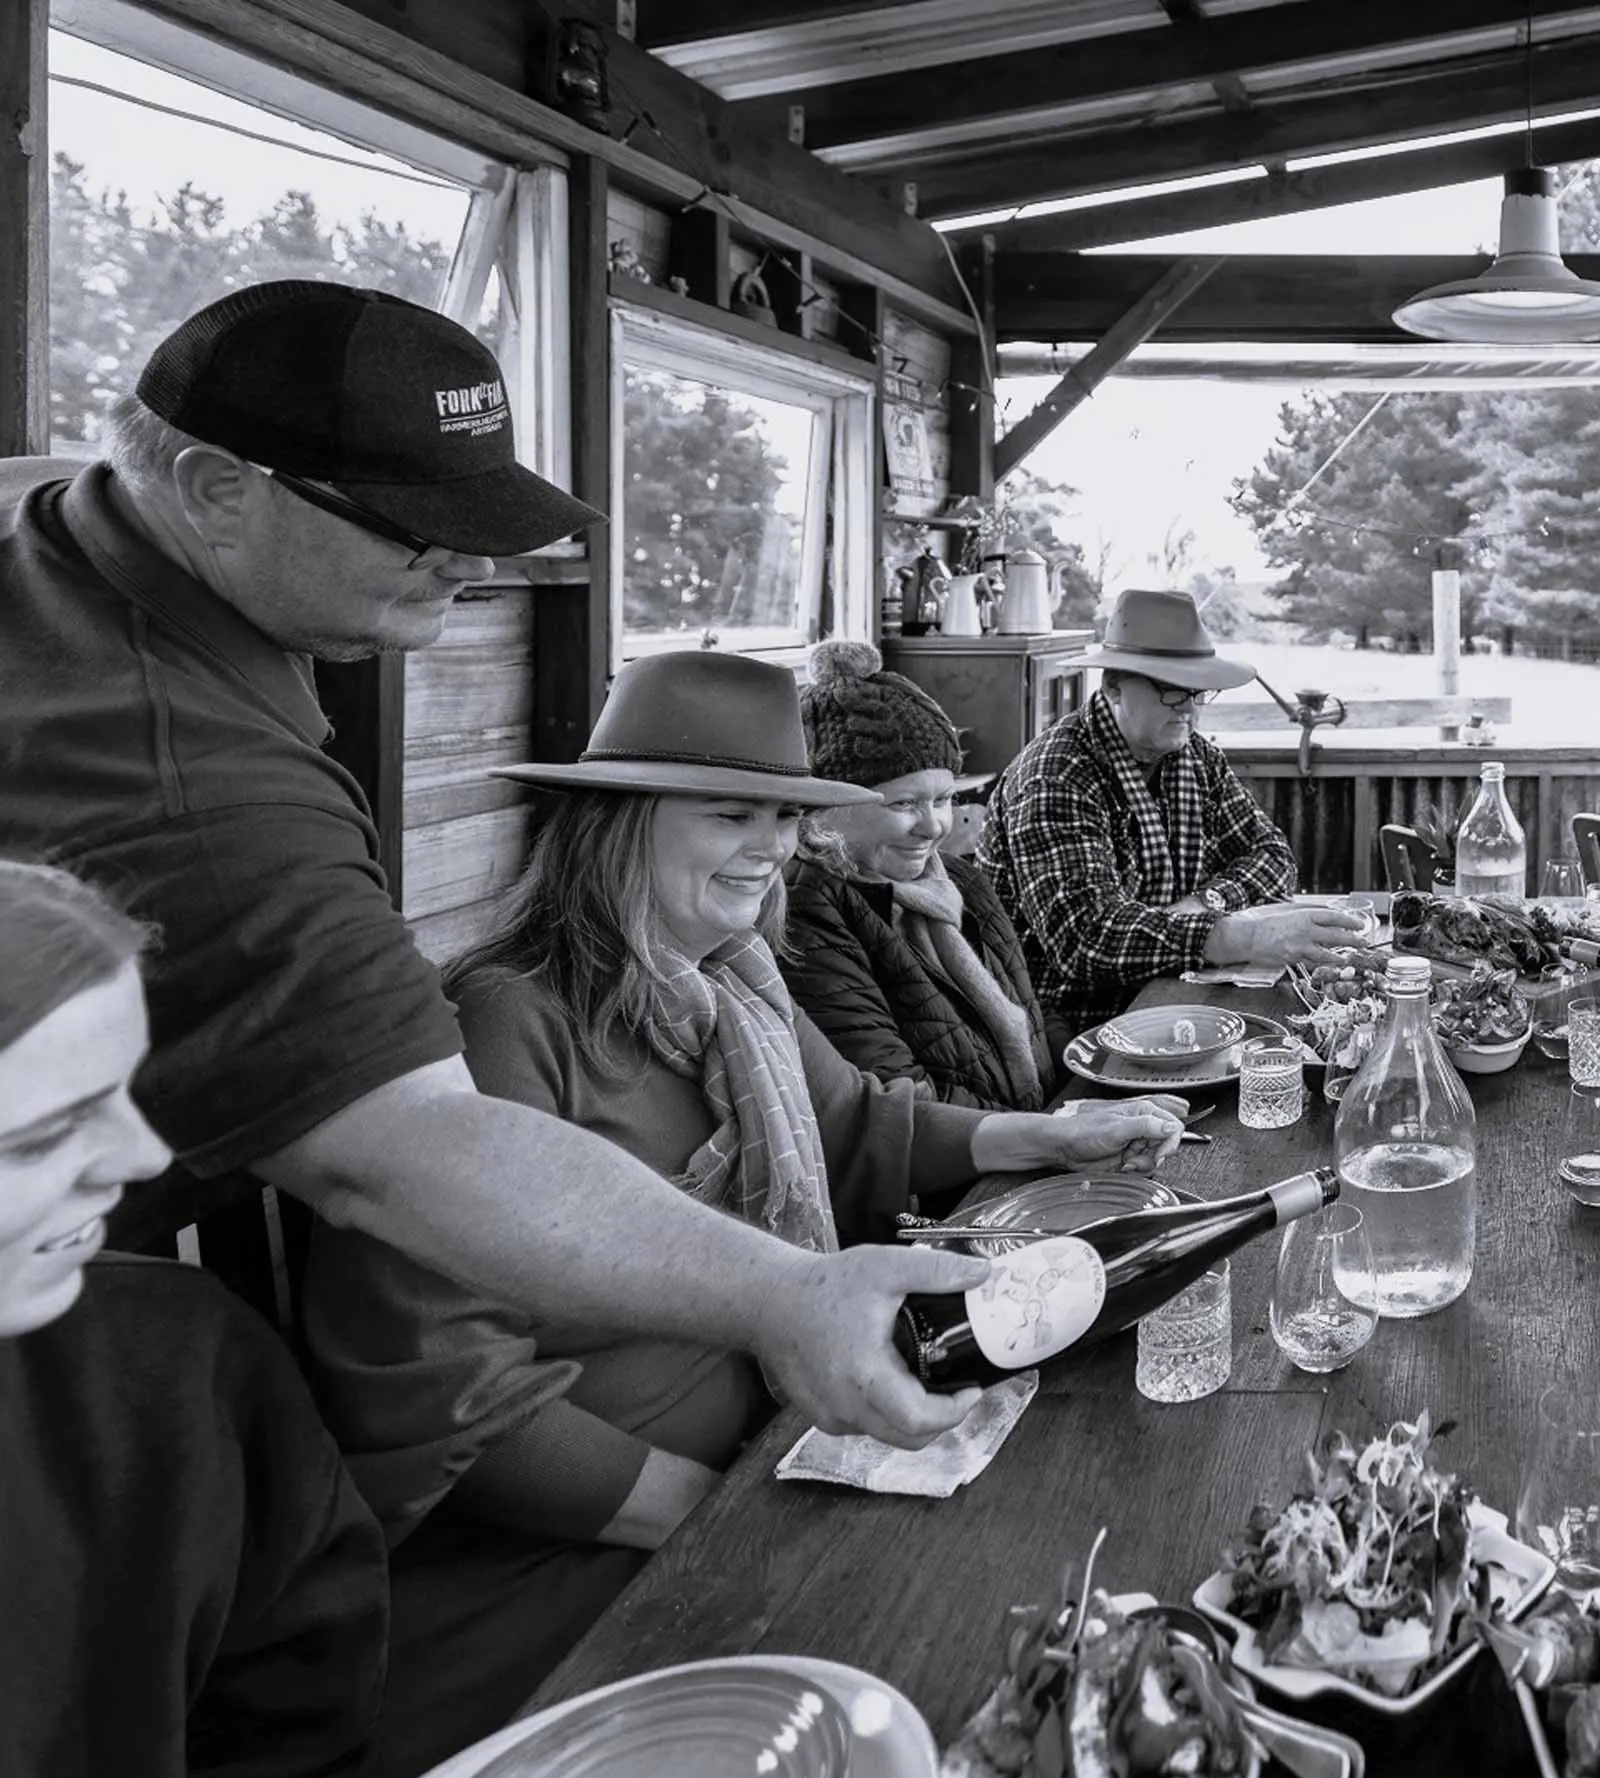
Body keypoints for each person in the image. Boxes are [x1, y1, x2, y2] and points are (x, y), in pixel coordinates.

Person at [0, 279, 989, 1454]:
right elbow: (407, 1158)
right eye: (421, 529)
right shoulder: (202, 789)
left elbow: (859, 1117)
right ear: (219, 490)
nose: (471, 567)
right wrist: (786, 1294)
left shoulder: (81, 530)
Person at [299, 649, 1183, 1778]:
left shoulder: (734, 986)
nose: (769, 844)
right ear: (615, 824)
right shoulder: (504, 1021)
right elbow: (449, 1401)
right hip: (566, 1569)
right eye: (730, 812)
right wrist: (718, 1519)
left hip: (768, 1456)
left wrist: (1056, 1136)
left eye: (782, 814)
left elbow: (864, 1123)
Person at [0, 860, 385, 1778]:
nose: (142, 1158)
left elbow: (288, 1761)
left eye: (125, 1088)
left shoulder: (179, 1377)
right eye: (43, 1132)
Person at [989, 587, 1360, 1028]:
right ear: (1112, 686)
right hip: (1066, 1016)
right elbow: (1086, 939)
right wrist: (1243, 936)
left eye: (1197, 692)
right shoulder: (1056, 774)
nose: (1188, 708)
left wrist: (1206, 902)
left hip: (1175, 985)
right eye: (1170, 690)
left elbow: (1272, 857)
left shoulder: (1196, 756)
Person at [785, 639, 1059, 1110]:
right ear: (829, 805)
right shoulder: (806, 908)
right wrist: (1051, 1134)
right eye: (904, 803)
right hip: (966, 1171)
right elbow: (902, 1103)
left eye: (943, 799)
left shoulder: (956, 882)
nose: (933, 827)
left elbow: (1028, 1014)